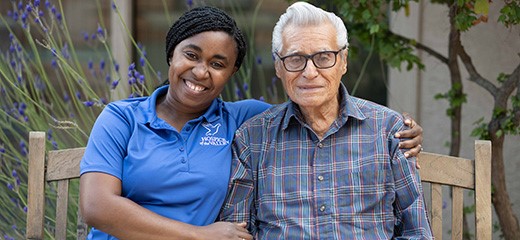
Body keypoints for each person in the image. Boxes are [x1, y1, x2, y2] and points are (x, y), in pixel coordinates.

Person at [79, 5, 424, 240]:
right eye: (191, 55)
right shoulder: (121, 118)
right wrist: (200, 236)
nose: (200, 72)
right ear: (171, 54)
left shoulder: (243, 121)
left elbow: (311, 102)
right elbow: (96, 206)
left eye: (218, 63)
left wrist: (400, 129)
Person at [220, 2, 433, 239]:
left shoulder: (388, 131)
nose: (309, 72)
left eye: (323, 57)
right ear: (279, 67)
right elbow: (235, 233)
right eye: (295, 58)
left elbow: (417, 232)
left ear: (343, 61)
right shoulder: (253, 138)